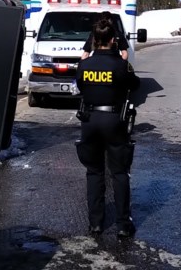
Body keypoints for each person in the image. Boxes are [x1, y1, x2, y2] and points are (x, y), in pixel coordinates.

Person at [75, 15, 140, 238]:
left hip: (90, 120)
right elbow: (135, 84)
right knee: (119, 173)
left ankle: (95, 223)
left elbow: (81, 86)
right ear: (113, 39)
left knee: (94, 172)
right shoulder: (121, 66)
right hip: (114, 121)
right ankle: (123, 224)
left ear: (94, 40)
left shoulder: (84, 65)